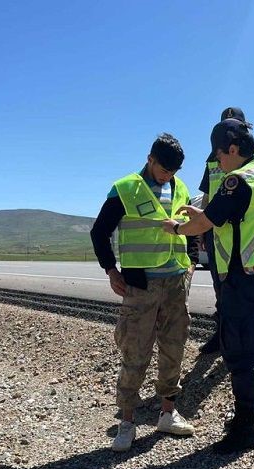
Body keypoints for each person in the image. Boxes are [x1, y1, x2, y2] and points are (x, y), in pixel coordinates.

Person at [163, 119, 254, 453]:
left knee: (240, 354)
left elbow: (204, 223)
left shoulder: (238, 182)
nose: (217, 162)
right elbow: (230, 215)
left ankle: (246, 428)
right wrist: (203, 214)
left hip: (242, 277)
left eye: (219, 155)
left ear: (233, 149)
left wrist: (176, 228)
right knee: (253, 346)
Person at [90, 133, 199, 452]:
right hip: (140, 285)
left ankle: (167, 413)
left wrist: (191, 262)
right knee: (135, 352)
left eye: (174, 171)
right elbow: (99, 231)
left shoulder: (181, 188)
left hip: (176, 282)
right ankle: (126, 423)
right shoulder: (125, 188)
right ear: (150, 159)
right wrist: (111, 270)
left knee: (174, 347)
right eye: (164, 169)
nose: (168, 176)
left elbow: (191, 227)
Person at [196, 107, 254, 355]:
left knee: (249, 292)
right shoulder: (213, 157)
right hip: (215, 227)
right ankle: (223, 336)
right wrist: (203, 230)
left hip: (246, 231)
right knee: (221, 289)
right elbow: (208, 194)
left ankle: (250, 343)